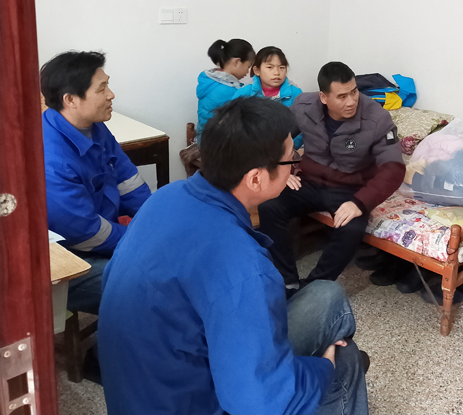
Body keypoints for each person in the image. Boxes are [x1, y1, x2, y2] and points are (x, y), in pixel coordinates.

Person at [98, 97, 369, 415]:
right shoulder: (244, 266)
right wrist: (323, 368)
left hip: (142, 390)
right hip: (195, 403)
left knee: (327, 293)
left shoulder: (165, 197)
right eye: (290, 160)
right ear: (256, 178)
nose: (295, 166)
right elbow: (257, 403)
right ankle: (336, 370)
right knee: (344, 359)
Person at [259, 61, 405, 294]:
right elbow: (276, 137)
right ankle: (287, 280)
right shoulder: (303, 106)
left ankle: (313, 287)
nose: (351, 101)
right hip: (309, 181)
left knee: (351, 229)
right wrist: (279, 169)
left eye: (354, 92)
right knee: (269, 205)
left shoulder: (377, 118)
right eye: (342, 96)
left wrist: (360, 203)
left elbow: (394, 168)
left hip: (350, 189)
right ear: (323, 97)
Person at [40, 50, 151, 316]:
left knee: (173, 259)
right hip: (70, 258)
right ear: (70, 100)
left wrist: (156, 223)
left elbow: (129, 181)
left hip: (103, 238)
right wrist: (141, 241)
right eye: (102, 88)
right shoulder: (51, 158)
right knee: (152, 287)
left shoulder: (94, 127)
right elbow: (86, 234)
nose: (111, 95)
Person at [233, 46, 304, 148]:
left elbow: (305, 127)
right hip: (251, 149)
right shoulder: (244, 93)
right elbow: (232, 124)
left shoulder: (296, 93)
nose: (277, 73)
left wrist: (290, 146)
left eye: (282, 67)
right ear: (257, 70)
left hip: (286, 149)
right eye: (270, 67)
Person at [195, 38, 255, 142]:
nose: (247, 72)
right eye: (248, 66)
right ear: (237, 62)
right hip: (214, 142)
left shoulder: (211, 81)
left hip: (204, 136)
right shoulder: (228, 90)